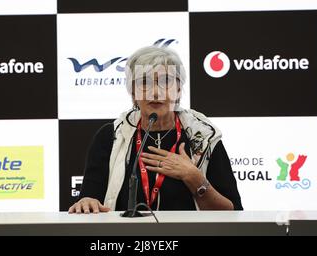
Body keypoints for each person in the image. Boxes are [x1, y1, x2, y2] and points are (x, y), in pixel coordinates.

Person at [69, 46, 242, 214]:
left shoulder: (204, 137)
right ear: (132, 92)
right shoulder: (111, 136)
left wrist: (194, 178)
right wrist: (87, 202)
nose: (155, 93)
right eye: (145, 82)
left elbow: (233, 212)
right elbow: (89, 200)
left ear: (179, 90)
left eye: (165, 82)